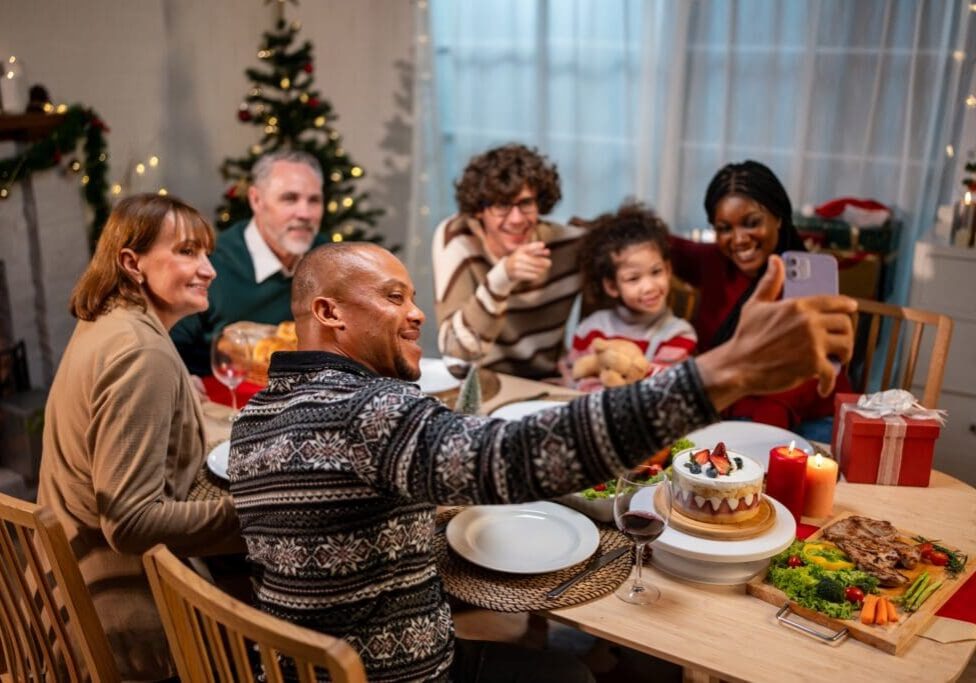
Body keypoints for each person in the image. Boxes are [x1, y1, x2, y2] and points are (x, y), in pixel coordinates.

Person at [229, 241, 855, 682]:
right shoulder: (370, 411)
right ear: (329, 312)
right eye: (394, 296)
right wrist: (724, 371)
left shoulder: (254, 416)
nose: (417, 312)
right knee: (569, 673)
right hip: (398, 673)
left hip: (301, 668)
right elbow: (511, 457)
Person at [38, 194, 245, 681]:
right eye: (188, 252)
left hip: (65, 591)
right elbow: (129, 521)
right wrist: (259, 514)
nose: (209, 269)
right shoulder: (140, 353)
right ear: (131, 262)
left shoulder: (104, 324)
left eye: (207, 253)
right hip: (123, 624)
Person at [669, 160, 850, 432]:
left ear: (778, 217)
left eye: (751, 223)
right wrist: (600, 229)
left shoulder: (809, 279)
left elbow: (807, 381)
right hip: (726, 412)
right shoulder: (714, 262)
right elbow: (656, 242)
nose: (739, 239)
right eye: (724, 228)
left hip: (804, 418)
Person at [432, 143, 586, 380]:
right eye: (501, 205)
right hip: (481, 384)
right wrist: (501, 278)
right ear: (478, 210)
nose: (516, 219)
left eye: (525, 203)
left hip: (549, 383)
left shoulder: (569, 246)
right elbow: (457, 358)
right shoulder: (458, 239)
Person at [171, 149, 329, 376]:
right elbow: (170, 348)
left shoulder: (328, 260)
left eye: (314, 200)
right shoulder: (210, 262)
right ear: (256, 200)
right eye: (289, 199)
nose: (304, 213)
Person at [567, 201, 697, 391]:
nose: (649, 287)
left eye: (656, 272)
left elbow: (660, 392)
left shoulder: (678, 335)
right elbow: (577, 377)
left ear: (668, 270)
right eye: (633, 278)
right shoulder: (591, 330)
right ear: (612, 286)